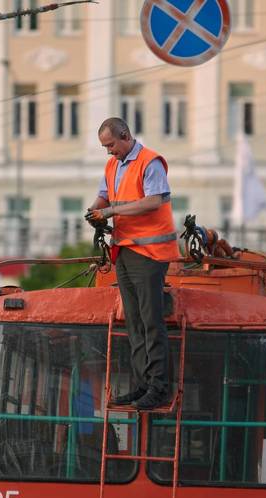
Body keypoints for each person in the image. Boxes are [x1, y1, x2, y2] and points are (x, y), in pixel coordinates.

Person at [86, 117, 180, 410]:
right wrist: (94, 210)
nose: (109, 151)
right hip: (125, 249)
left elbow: (154, 201)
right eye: (105, 147)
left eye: (111, 145)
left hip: (150, 254)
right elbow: (104, 196)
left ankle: (159, 388)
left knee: (151, 322)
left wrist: (109, 213)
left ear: (125, 135)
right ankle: (143, 386)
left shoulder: (150, 162)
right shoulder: (112, 165)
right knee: (135, 322)